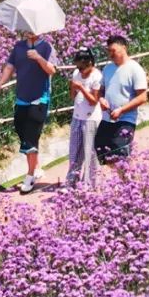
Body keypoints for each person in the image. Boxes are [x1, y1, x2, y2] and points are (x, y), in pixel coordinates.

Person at [0, 31, 57, 193]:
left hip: (39, 99)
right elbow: (9, 66)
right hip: (21, 98)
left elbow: (52, 70)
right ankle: (37, 167)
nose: (28, 30)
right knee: (22, 133)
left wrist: (38, 58)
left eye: (31, 27)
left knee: (31, 137)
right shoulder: (19, 47)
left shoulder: (47, 47)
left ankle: (30, 176)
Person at [95, 35, 149, 165]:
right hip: (107, 118)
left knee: (120, 154)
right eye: (108, 51)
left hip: (125, 119)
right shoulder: (108, 68)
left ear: (123, 48)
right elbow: (100, 90)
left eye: (113, 50)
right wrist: (101, 99)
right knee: (101, 149)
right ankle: (120, 179)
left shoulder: (135, 69)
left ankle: (128, 181)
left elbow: (142, 97)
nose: (110, 54)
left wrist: (122, 110)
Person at [64, 48, 103, 190]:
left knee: (90, 152)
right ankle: (71, 181)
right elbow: (73, 97)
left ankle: (91, 183)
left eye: (82, 67)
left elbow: (94, 101)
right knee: (75, 151)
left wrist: (81, 87)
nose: (79, 70)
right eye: (77, 66)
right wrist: (73, 88)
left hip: (91, 118)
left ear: (90, 63)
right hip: (77, 116)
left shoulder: (97, 77)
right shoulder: (76, 73)